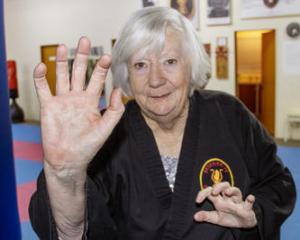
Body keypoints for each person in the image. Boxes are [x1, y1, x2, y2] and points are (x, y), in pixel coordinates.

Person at [29, 6, 296, 240]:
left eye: (170, 61)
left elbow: (278, 182)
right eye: (141, 65)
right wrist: (65, 178)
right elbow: (75, 228)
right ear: (126, 75)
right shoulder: (105, 135)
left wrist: (253, 213)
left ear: (191, 65)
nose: (155, 79)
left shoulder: (229, 115)